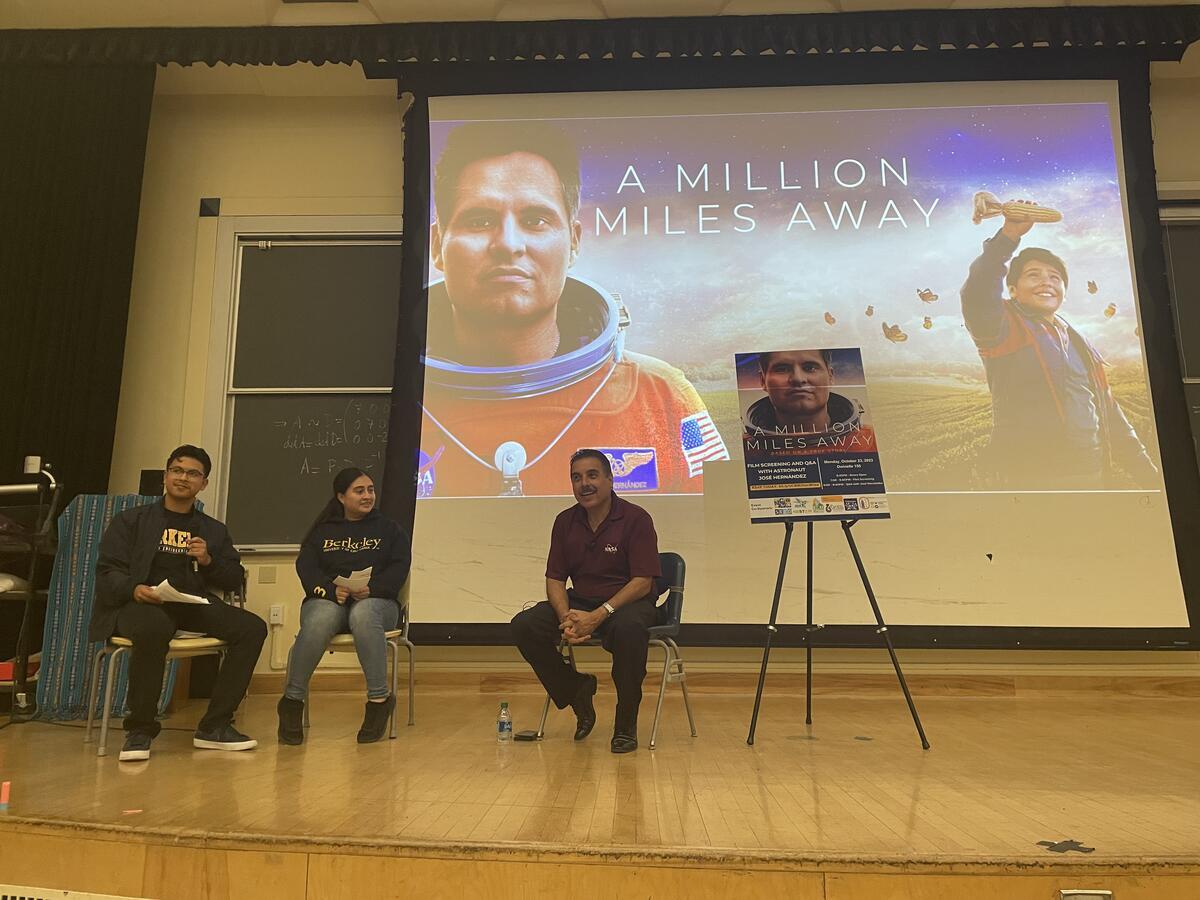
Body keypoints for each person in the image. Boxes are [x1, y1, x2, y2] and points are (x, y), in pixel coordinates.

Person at [419, 122, 728, 498]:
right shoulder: (398, 396)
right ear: (438, 244)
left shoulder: (662, 397)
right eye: (479, 221)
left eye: (535, 220)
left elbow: (722, 530)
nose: (508, 244)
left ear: (574, 242)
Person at [960, 210, 1158, 489]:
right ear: (1013, 290)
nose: (1047, 282)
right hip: (1030, 481)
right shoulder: (1002, 327)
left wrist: (1150, 478)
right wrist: (1008, 238)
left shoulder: (1081, 343)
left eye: (1055, 277)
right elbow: (977, 292)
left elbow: (1110, 412)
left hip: (1091, 476)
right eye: (1033, 275)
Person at [92, 445, 266, 762]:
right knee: (153, 628)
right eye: (177, 470)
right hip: (142, 603)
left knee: (252, 628)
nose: (183, 478)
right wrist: (134, 589)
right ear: (166, 475)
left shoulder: (212, 530)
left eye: (193, 473)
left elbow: (232, 578)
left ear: (204, 484)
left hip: (191, 603)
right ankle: (140, 730)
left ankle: (214, 726)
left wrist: (209, 560)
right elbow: (107, 571)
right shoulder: (132, 521)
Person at [510, 448, 662, 753]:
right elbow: (555, 578)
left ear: (609, 478)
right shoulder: (565, 521)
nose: (584, 484)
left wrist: (599, 615)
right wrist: (567, 616)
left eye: (592, 475)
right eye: (576, 478)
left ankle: (625, 724)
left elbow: (643, 581)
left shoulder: (636, 518)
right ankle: (576, 688)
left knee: (629, 631)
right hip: (581, 601)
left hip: (627, 602)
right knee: (524, 625)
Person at [277, 468, 412, 745]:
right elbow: (307, 567)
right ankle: (292, 701)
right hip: (330, 599)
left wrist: (372, 589)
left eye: (370, 490)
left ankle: (379, 699)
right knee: (319, 620)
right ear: (341, 496)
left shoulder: (389, 530)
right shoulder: (322, 531)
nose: (367, 496)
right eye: (359, 491)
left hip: (377, 603)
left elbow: (400, 568)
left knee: (363, 614)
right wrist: (328, 590)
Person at [743, 349, 862, 435]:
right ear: (763, 381)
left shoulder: (869, 441)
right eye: (782, 369)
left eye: (810, 368)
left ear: (830, 377)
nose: (798, 379)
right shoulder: (746, 451)